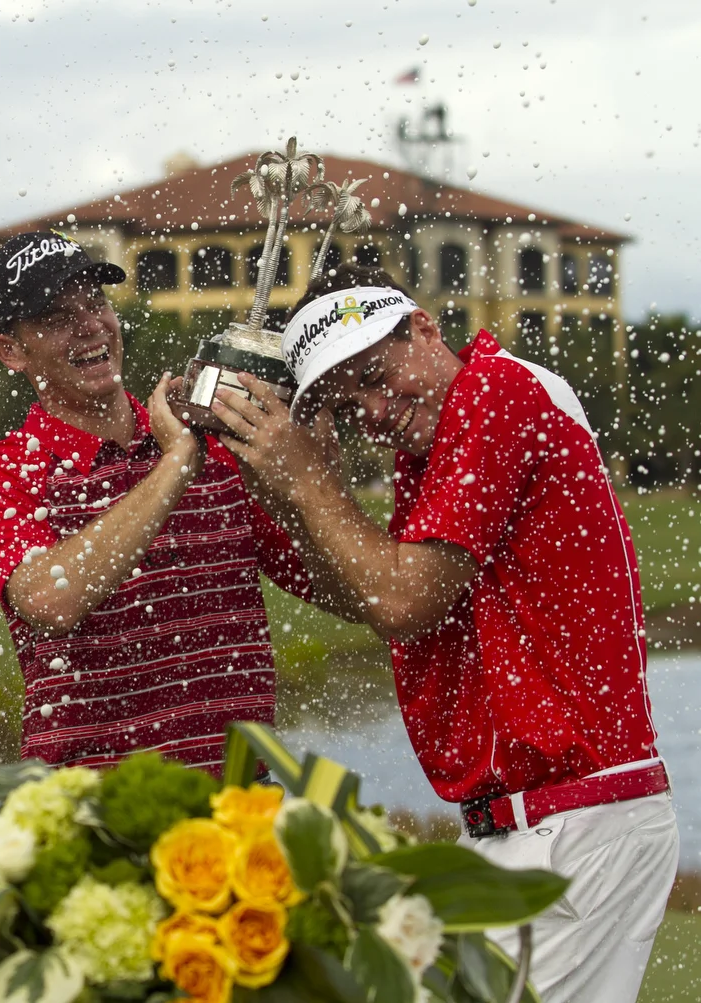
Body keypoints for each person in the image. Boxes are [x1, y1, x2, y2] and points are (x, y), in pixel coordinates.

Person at [208, 262, 677, 1003]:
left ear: (423, 326)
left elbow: (399, 600)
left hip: (575, 815)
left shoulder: (495, 390)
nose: (373, 407)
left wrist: (307, 482)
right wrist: (280, 488)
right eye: (347, 397)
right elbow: (363, 589)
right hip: (538, 822)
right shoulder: (434, 443)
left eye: (374, 371)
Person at [0, 231, 311, 771]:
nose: (90, 326)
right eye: (55, 317)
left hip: (239, 809)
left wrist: (311, 463)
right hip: (94, 817)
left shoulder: (213, 443)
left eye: (94, 301)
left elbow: (347, 595)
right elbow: (51, 602)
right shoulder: (0, 472)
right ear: (10, 351)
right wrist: (173, 467)